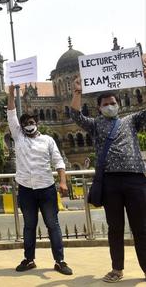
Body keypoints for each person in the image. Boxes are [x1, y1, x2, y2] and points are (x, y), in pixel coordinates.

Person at [71, 77, 146, 283]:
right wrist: (77, 92)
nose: (110, 106)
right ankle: (117, 269)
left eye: (113, 103)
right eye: (105, 104)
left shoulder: (131, 120)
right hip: (110, 181)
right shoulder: (95, 125)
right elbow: (75, 115)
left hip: (135, 179)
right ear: (98, 108)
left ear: (118, 104)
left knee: (142, 227)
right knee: (115, 228)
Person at [7, 84, 72, 275]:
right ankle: (29, 259)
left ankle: (60, 261)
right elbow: (11, 115)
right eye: (25, 122)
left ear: (37, 123)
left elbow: (58, 161)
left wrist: (62, 181)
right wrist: (11, 94)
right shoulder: (18, 137)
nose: (28, 124)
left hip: (46, 188)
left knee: (53, 225)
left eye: (31, 121)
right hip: (26, 189)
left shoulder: (48, 140)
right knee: (29, 226)